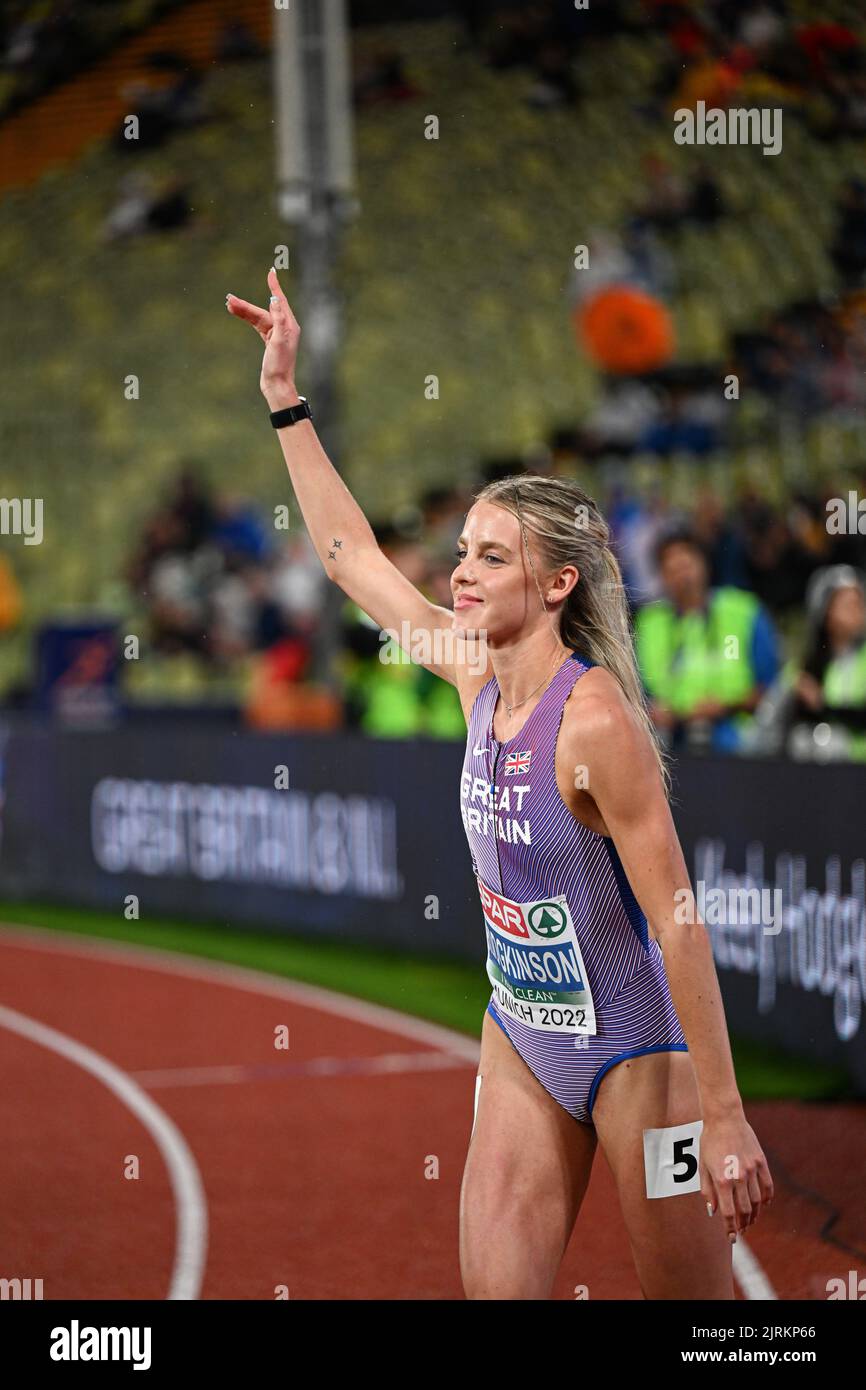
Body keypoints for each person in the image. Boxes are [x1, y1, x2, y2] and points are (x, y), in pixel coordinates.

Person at [227, 267, 773, 1300]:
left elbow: (678, 919)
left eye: (489, 557)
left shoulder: (594, 721)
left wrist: (726, 1111)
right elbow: (349, 557)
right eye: (461, 550)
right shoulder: (471, 669)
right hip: (521, 1033)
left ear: (556, 584)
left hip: (636, 1054)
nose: (458, 573)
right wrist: (282, 398)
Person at [635, 526, 781, 753]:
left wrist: (725, 706)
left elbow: (772, 688)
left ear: (704, 564)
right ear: (661, 577)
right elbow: (637, 694)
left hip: (738, 740)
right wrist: (656, 711)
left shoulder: (743, 611)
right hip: (669, 742)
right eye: (671, 570)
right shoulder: (649, 623)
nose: (682, 577)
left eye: (686, 565)